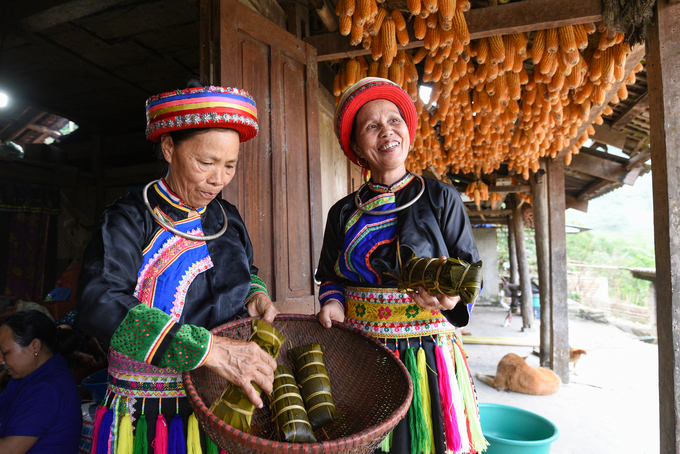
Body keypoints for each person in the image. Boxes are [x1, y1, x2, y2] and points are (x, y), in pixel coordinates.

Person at [77, 82, 279, 450]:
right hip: (150, 414)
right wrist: (209, 350)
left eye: (230, 165)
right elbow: (99, 300)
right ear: (169, 148)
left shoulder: (226, 218)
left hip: (219, 401)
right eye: (206, 162)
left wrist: (256, 295)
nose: (218, 179)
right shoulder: (129, 217)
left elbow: (246, 270)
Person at [315, 77, 487, 454]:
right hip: (363, 348)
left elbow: (470, 272)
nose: (387, 132)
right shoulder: (343, 212)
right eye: (372, 126)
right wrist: (333, 303)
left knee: (421, 444)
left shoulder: (440, 196)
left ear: (407, 131)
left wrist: (454, 302)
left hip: (425, 350)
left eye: (394, 121)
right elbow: (329, 276)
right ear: (358, 147)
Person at [0, 310, 81, 454]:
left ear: (35, 346)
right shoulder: (23, 376)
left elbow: (9, 450)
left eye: (5, 353)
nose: (1, 360)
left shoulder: (49, 388)